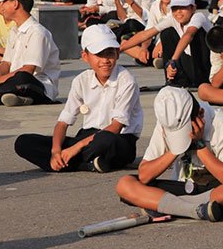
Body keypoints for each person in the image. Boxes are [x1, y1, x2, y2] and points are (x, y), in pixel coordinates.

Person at [115, 86, 223, 222]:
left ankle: (167, 207)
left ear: (200, 114)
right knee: (125, 184)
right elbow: (144, 175)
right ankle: (194, 210)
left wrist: (199, 145)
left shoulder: (221, 123)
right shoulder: (167, 123)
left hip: (217, 191)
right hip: (184, 188)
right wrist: (174, 149)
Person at [14, 25, 142, 172]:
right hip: (88, 137)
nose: (105, 60)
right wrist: (56, 151)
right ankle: (88, 164)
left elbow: (115, 127)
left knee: (105, 140)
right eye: (99, 54)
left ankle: (70, 163)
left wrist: (75, 148)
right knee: (24, 142)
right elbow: (63, 122)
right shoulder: (81, 80)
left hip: (118, 140)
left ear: (117, 54)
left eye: (110, 53)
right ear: (85, 56)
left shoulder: (126, 81)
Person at [120, 0, 212, 89]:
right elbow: (146, 34)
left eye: (183, 8)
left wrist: (173, 61)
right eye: (175, 9)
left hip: (205, 69)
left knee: (196, 34)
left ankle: (193, 80)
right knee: (167, 33)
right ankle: (174, 80)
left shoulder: (199, 17)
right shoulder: (173, 19)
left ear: (193, 8)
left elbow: (188, 35)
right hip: (189, 65)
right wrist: (119, 49)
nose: (178, 12)